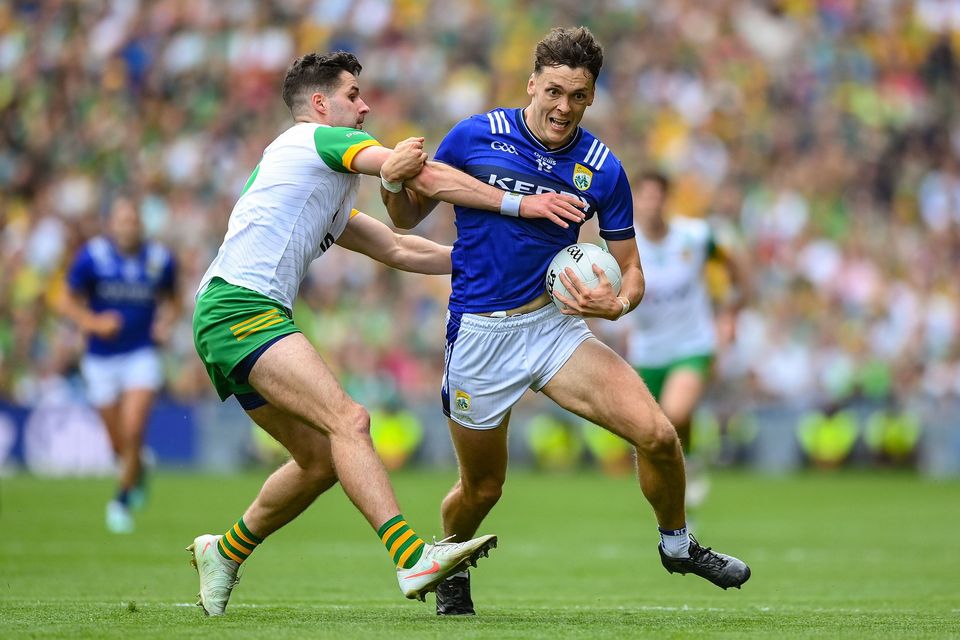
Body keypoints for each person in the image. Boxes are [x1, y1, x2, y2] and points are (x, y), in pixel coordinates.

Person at [187, 51, 586, 616]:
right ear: (321, 104)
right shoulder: (313, 141)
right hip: (240, 309)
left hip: (228, 312)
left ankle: (223, 552)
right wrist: (519, 204)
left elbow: (398, 246)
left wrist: (479, 260)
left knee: (321, 459)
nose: (365, 104)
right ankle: (409, 557)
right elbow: (408, 173)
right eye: (353, 95)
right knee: (350, 420)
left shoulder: (316, 179)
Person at [381, 27, 751, 616]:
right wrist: (391, 179)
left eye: (578, 95)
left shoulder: (602, 167)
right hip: (479, 336)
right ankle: (448, 561)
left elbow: (631, 272)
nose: (563, 107)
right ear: (531, 83)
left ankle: (677, 545)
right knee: (483, 489)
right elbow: (404, 218)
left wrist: (618, 304)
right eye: (553, 90)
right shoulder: (477, 135)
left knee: (657, 434)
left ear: (592, 96)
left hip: (555, 330)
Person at [625, 171, 750, 509]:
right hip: (647, 350)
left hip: (692, 343)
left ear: (668, 200)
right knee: (653, 429)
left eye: (658, 196)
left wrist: (732, 308)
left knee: (675, 414)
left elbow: (732, 261)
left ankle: (689, 465)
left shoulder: (694, 236)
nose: (652, 204)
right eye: (645, 196)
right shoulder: (623, 242)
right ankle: (687, 467)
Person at [60, 195, 180, 534]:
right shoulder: (93, 256)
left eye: (133, 220)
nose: (128, 226)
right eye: (122, 220)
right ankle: (138, 466)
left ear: (140, 224)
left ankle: (121, 502)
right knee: (118, 443)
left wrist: (165, 322)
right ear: (111, 224)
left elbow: (173, 300)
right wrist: (94, 323)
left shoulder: (159, 259)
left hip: (141, 353)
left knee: (133, 429)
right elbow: (65, 301)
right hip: (100, 358)